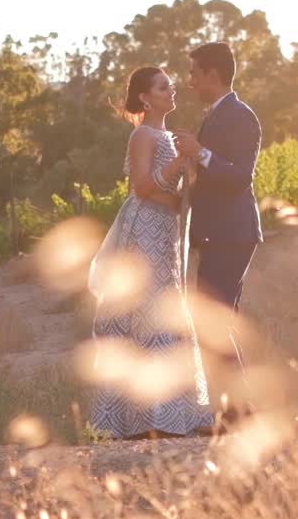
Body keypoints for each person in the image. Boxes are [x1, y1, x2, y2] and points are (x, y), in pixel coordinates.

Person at [87, 66, 215, 440]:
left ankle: (180, 414)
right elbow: (141, 187)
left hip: (166, 230)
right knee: (146, 311)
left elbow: (174, 190)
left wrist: (187, 188)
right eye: (163, 86)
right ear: (145, 97)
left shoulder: (168, 135)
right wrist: (179, 166)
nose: (171, 90)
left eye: (171, 85)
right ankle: (146, 417)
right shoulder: (143, 135)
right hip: (143, 227)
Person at [173, 41, 263, 423]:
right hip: (217, 233)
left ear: (212, 74)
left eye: (194, 73)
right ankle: (236, 411)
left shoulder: (241, 115)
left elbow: (242, 176)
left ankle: (238, 414)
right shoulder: (216, 115)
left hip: (232, 232)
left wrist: (201, 153)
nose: (190, 81)